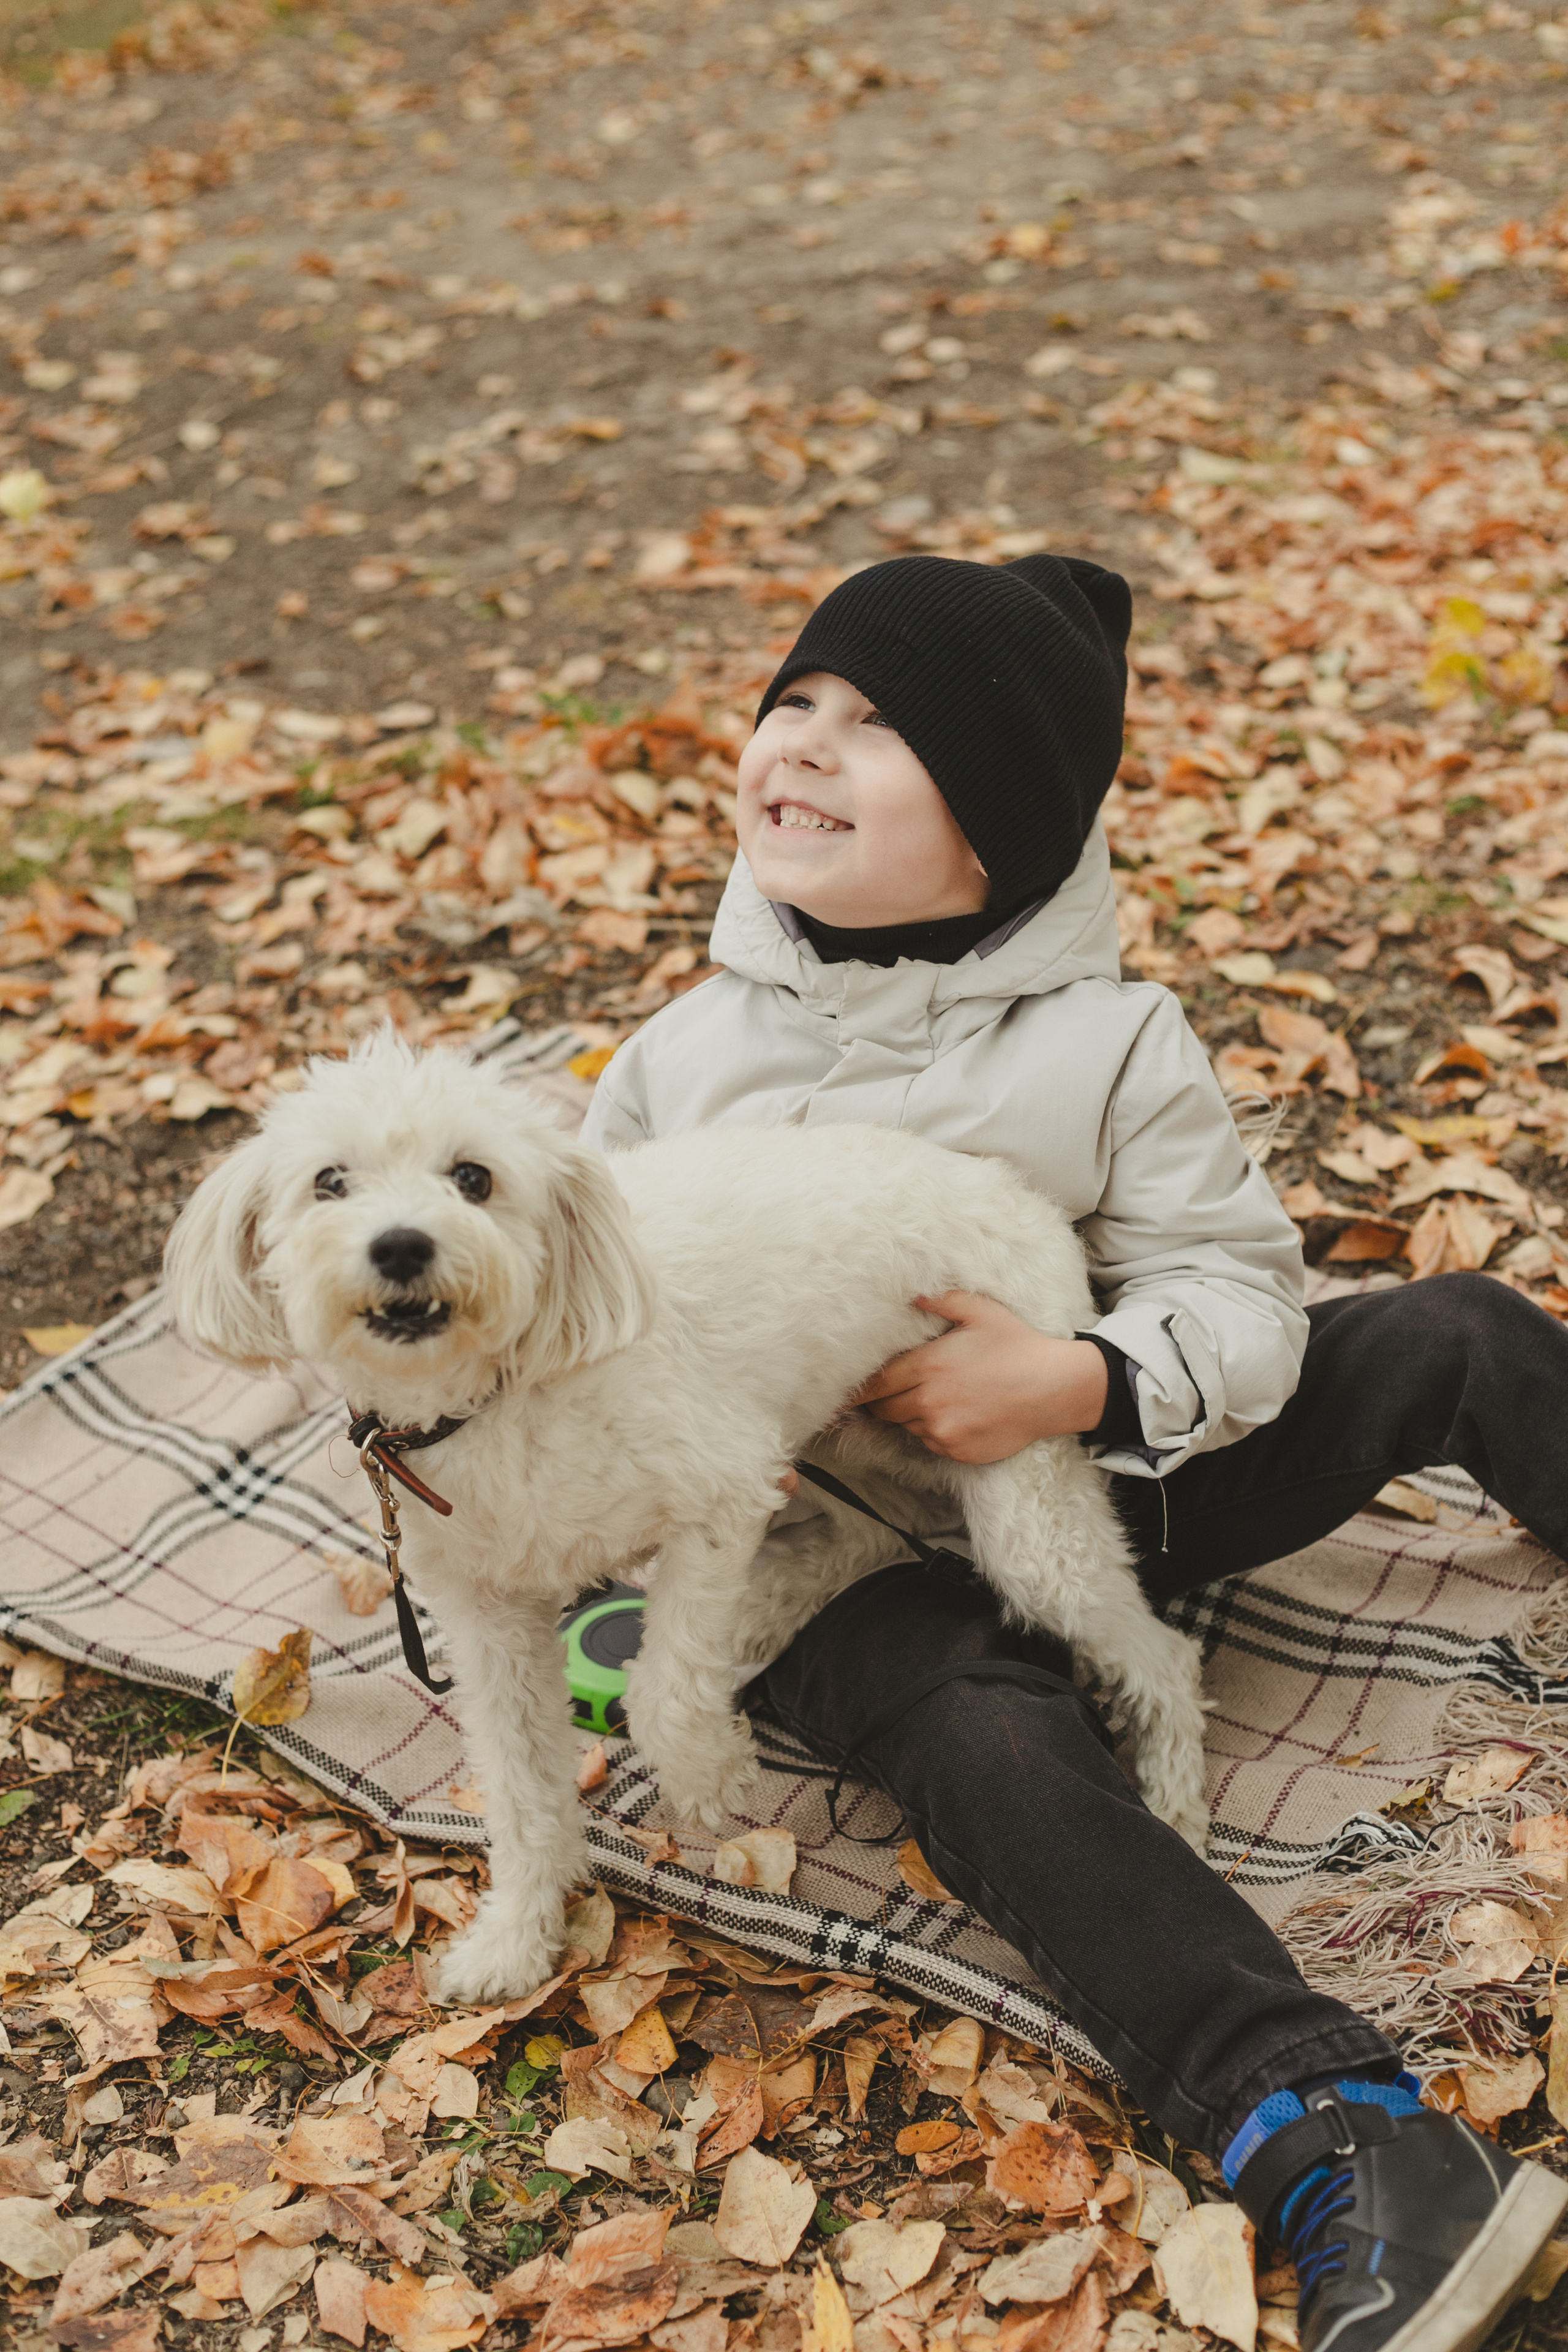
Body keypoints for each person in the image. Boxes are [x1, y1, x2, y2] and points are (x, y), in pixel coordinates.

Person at [579, 552, 1568, 2352]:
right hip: (837, 1552)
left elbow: (1244, 1300)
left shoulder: (1112, 1046)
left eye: (880, 729)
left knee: (1457, 1330)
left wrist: (1081, 1378)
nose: (802, 743)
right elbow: (580, 1317)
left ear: (1003, 829)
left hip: (1104, 1484)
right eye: (794, 702)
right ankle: (1335, 2125)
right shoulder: (681, 1058)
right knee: (981, 1728)